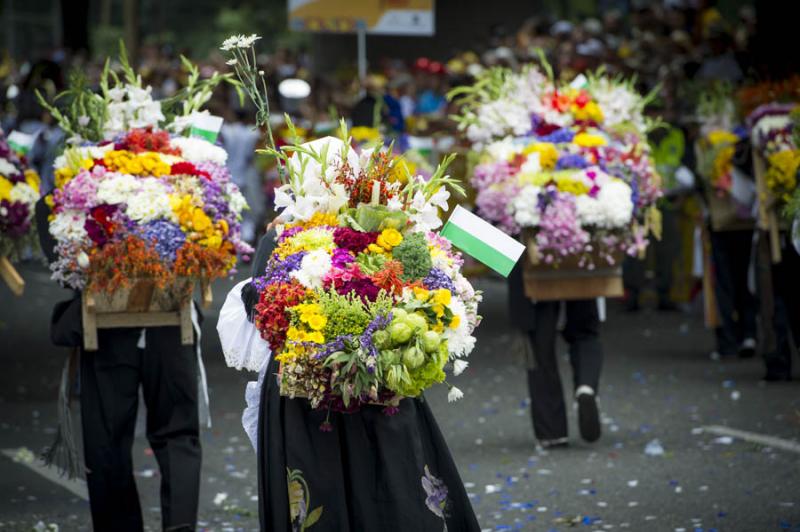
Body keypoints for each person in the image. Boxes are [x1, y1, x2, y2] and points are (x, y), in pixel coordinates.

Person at [230, 230, 481, 532]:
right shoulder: (285, 234)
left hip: (368, 389)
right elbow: (258, 303)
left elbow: (255, 303)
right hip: (312, 396)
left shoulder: (394, 228)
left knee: (388, 494)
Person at [35, 198, 203, 532]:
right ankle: (180, 526)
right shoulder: (184, 190)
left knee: (107, 439)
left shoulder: (82, 186)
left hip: (108, 322)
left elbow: (51, 223)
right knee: (177, 434)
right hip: (170, 319)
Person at [508, 262, 603, 448]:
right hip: (577, 255)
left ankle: (552, 430)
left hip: (532, 262)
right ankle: (586, 387)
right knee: (585, 331)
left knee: (539, 342)